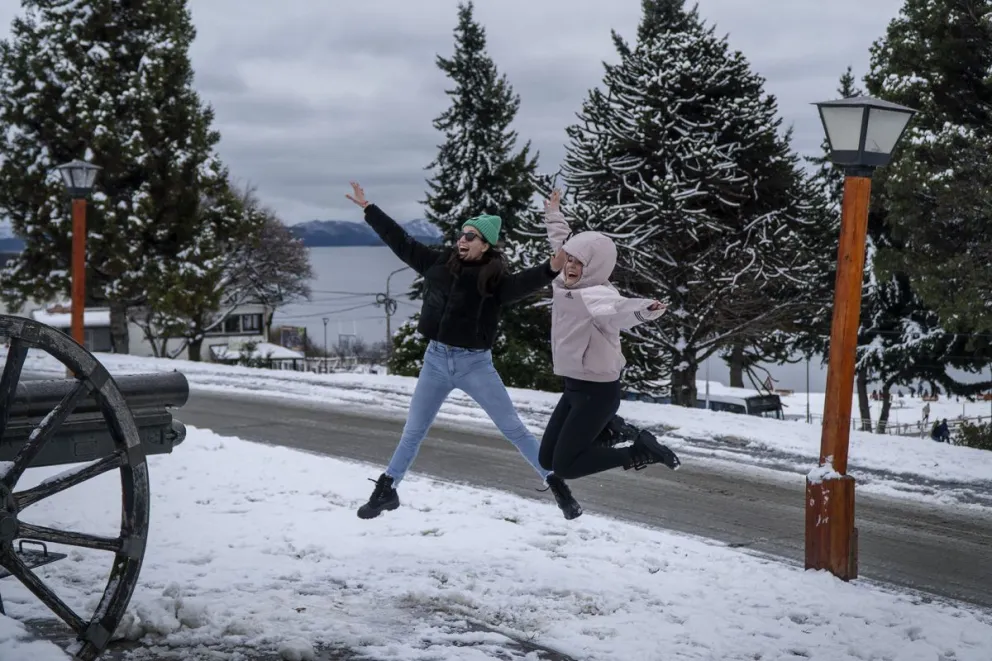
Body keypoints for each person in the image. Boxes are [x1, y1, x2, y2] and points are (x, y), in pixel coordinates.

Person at [344, 181, 578, 520]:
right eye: (462, 234)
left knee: (514, 429)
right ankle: (387, 490)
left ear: (485, 245)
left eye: (471, 236)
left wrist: (553, 266)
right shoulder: (439, 265)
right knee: (413, 431)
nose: (462, 240)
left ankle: (558, 487)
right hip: (436, 361)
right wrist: (370, 209)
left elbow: (530, 280)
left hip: (474, 365)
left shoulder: (495, 281)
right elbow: (400, 241)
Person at [537, 188, 681, 510]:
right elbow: (562, 243)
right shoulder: (564, 283)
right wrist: (553, 214)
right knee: (546, 457)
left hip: (597, 392)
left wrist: (647, 308)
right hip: (574, 387)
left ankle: (639, 450)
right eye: (570, 260)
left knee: (566, 466)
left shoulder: (596, 295)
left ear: (595, 268)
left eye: (579, 263)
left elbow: (621, 310)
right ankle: (609, 429)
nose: (571, 266)